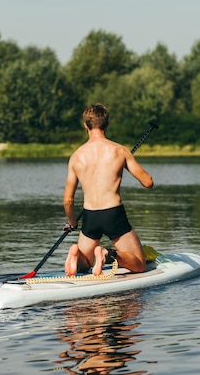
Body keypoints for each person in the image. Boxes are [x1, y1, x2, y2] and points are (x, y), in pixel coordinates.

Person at [63, 103, 154, 277]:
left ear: (85, 125)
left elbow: (68, 199)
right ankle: (108, 254)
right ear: (107, 124)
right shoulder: (119, 151)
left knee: (84, 267)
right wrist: (123, 167)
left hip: (90, 216)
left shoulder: (76, 156)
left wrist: (73, 222)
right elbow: (148, 182)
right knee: (139, 264)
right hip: (113, 214)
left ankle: (77, 254)